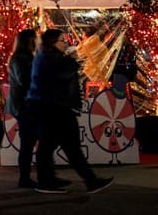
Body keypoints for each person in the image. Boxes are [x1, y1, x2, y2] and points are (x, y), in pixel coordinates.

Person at [26, 28, 115, 194]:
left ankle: (48, 179)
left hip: (53, 107)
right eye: (62, 40)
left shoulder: (47, 57)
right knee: (68, 145)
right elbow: (63, 74)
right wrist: (72, 60)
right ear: (53, 42)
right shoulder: (48, 58)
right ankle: (87, 180)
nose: (66, 43)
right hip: (54, 108)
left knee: (52, 144)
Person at [6, 28, 40, 188]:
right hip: (24, 105)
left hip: (26, 103)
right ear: (29, 41)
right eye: (35, 39)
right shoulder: (20, 59)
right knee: (27, 142)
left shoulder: (26, 58)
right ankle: (24, 177)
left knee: (30, 140)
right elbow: (24, 80)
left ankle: (26, 176)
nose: (38, 41)